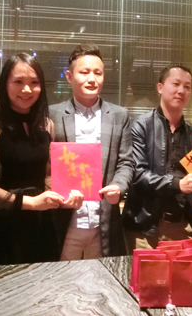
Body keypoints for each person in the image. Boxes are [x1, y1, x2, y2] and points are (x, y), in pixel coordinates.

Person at [0, 53, 81, 265]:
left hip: (41, 224)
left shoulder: (47, 125)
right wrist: (30, 203)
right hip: (4, 228)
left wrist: (65, 196)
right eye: (18, 82)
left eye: (34, 83)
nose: (27, 89)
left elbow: (48, 176)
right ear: (5, 84)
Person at [50, 43, 134, 259]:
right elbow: (45, 164)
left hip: (103, 221)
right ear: (69, 77)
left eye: (98, 73)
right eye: (84, 72)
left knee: (100, 278)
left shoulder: (119, 115)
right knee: (62, 279)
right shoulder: (52, 114)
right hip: (65, 220)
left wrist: (119, 186)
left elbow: (126, 161)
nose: (92, 79)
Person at [122, 65, 192, 250]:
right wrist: (178, 184)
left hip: (183, 227)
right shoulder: (141, 126)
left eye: (187, 87)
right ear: (160, 88)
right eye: (175, 84)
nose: (181, 90)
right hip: (144, 229)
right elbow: (138, 174)